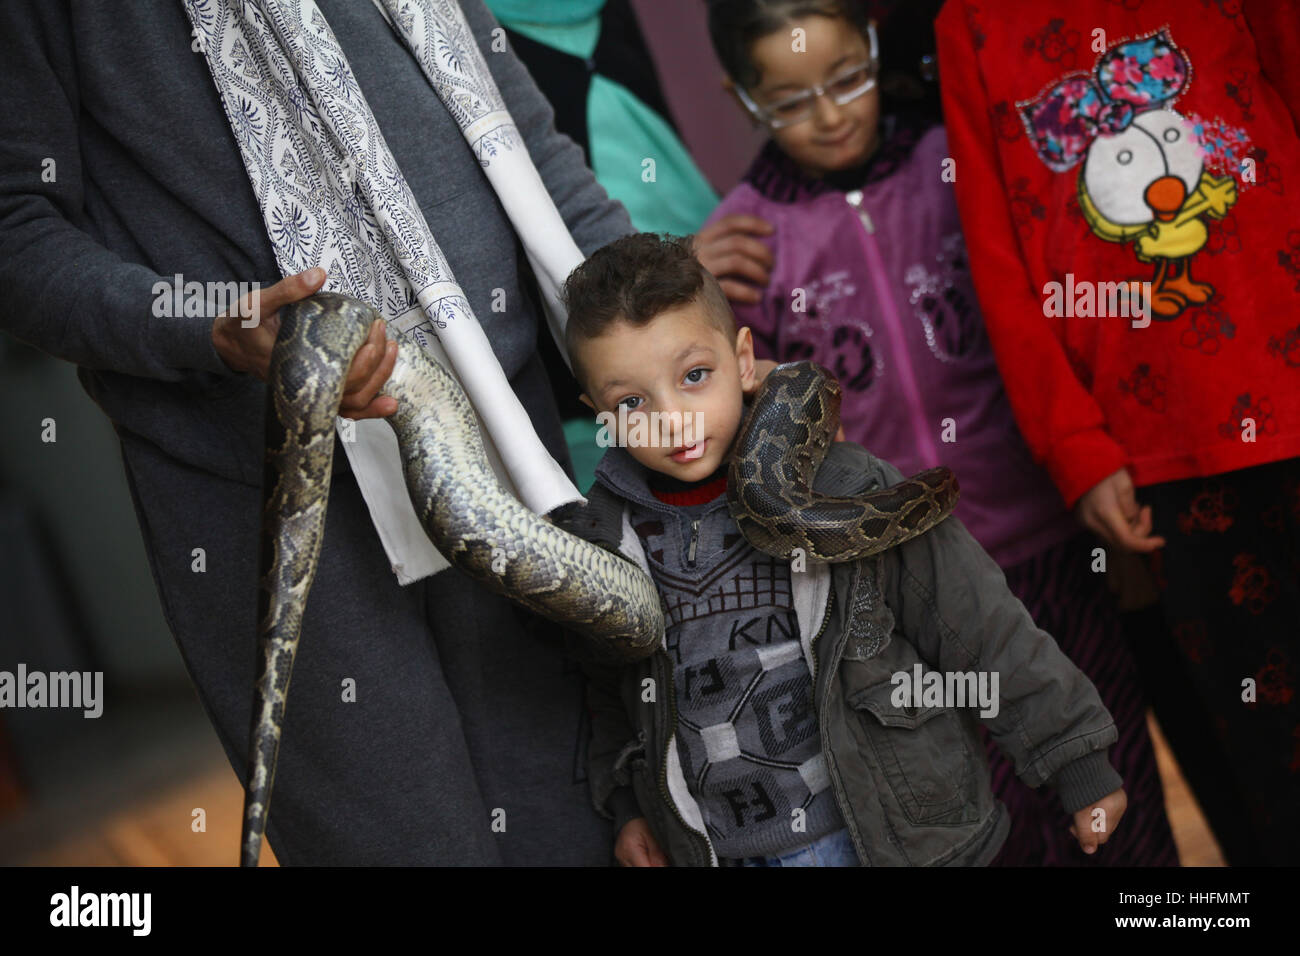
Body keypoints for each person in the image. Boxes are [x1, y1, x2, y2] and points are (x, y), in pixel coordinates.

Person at [0, 0, 635, 864]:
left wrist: (672, 326)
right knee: (406, 847)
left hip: (503, 429)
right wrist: (210, 327)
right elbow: (16, 232)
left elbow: (522, 134)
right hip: (261, 492)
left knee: (581, 820)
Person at [699, 0, 1176, 863]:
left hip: (1044, 547)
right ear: (742, 99)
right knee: (978, 812)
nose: (834, 112)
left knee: (1104, 781)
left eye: (848, 77)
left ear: (878, 46)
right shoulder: (744, 242)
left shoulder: (954, 163)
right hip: (898, 594)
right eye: (793, 97)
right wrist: (696, 291)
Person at [555, 232, 1129, 867]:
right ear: (597, 414)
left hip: (891, 840)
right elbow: (614, 692)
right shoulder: (605, 544)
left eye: (694, 377)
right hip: (722, 850)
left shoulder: (853, 486)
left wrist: (1077, 758)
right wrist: (629, 806)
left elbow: (980, 627)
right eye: (632, 402)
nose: (673, 419)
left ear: (744, 361)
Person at [936, 0, 1300, 865]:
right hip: (1164, 456)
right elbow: (996, 258)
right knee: (1266, 748)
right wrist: (1074, 445)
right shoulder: (970, 23)